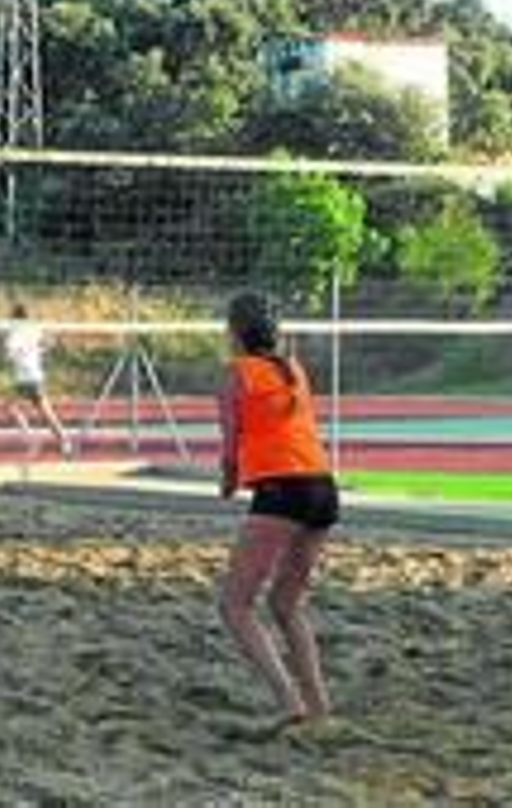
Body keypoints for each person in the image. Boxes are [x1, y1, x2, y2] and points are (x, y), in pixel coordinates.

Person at [217, 292, 337, 728]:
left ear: (234, 332)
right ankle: (319, 706)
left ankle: (289, 700)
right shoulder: (294, 370)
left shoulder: (236, 374)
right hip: (323, 489)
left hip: (282, 490)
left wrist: (228, 484)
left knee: (235, 604)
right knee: (286, 604)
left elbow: (231, 448)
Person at [3, 303, 72, 458]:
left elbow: (10, 356)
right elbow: (50, 342)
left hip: (25, 378)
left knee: (11, 408)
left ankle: (33, 442)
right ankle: (64, 442)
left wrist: (29, 350)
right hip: (34, 376)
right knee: (45, 412)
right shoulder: (34, 330)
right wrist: (40, 349)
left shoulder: (15, 335)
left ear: (16, 318)